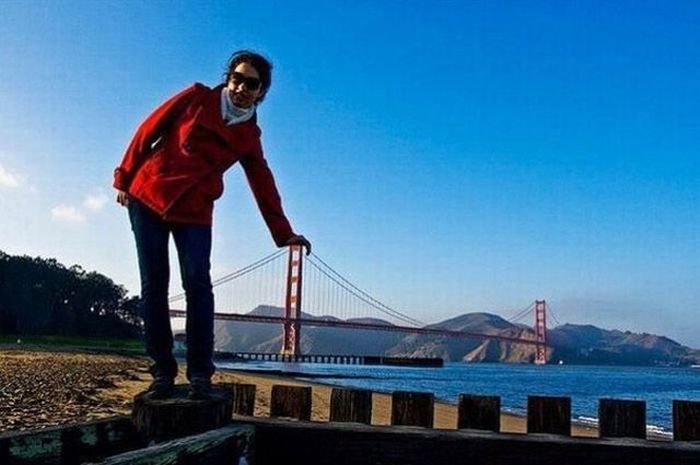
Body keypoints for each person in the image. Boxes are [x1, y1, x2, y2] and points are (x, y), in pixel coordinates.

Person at [113, 50, 311, 400]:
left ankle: (200, 375)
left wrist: (284, 233)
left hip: (195, 210)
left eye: (252, 84)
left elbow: (262, 183)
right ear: (228, 78)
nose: (242, 88)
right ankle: (162, 374)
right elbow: (148, 128)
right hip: (150, 194)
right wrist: (123, 177)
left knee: (199, 287)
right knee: (154, 285)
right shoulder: (196, 97)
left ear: (261, 92)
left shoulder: (249, 135)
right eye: (237, 78)